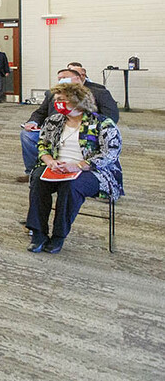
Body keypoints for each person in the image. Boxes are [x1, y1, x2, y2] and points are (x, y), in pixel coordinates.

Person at [25, 82, 122, 254]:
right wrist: (49, 161)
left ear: (77, 100)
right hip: (57, 166)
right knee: (38, 179)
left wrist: (77, 166)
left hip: (91, 171)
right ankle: (38, 233)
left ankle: (58, 236)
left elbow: (110, 154)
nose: (57, 103)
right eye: (56, 100)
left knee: (71, 187)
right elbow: (43, 145)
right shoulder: (53, 121)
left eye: (62, 99)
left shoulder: (102, 123)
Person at [16, 67, 119, 183]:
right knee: (27, 135)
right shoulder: (53, 94)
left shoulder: (99, 92)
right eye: (59, 78)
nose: (61, 80)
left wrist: (86, 123)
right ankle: (32, 172)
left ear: (79, 77)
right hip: (53, 129)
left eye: (65, 78)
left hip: (86, 132)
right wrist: (32, 122)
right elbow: (41, 111)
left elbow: (111, 115)